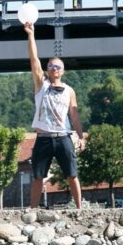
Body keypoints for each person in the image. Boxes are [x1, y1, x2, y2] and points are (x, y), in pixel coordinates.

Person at [24, 22, 85, 209]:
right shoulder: (41, 85)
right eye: (51, 66)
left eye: (58, 66)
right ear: (47, 69)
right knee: (37, 176)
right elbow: (34, 59)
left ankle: (80, 208)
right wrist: (31, 35)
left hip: (63, 137)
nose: (54, 68)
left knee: (72, 174)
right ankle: (33, 209)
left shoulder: (69, 90)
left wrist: (81, 137)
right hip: (43, 137)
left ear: (63, 70)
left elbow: (74, 115)